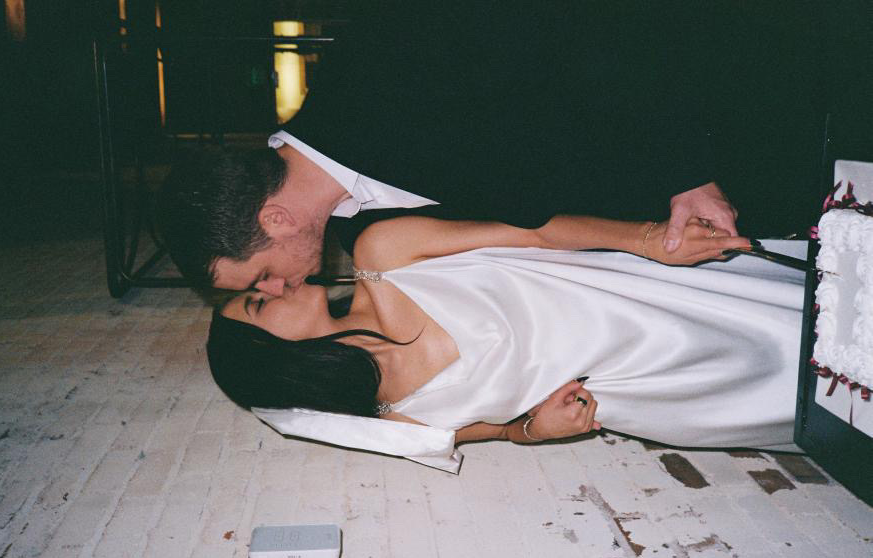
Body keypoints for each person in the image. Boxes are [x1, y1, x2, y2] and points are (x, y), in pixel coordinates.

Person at [157, 4, 739, 297]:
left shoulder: (379, 59)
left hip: (724, 114)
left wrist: (684, 169)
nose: (274, 292)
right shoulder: (362, 237)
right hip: (678, 244)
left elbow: (590, 31)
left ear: (274, 219)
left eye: (259, 277)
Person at [205, 214, 805, 472]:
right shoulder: (399, 417)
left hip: (657, 294)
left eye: (258, 285)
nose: (275, 283)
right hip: (664, 387)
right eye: (259, 300)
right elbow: (497, 431)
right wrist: (535, 431)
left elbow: (535, 231)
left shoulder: (382, 252)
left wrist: (646, 239)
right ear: (277, 361)